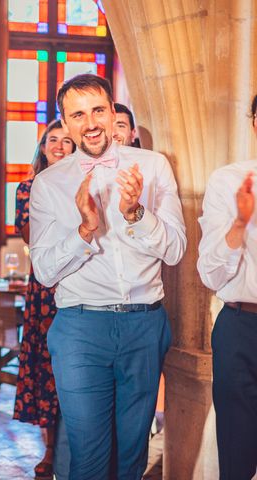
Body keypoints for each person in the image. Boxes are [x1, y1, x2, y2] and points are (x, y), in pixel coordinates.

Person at [29, 74, 186, 479]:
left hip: (144, 323)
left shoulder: (152, 166)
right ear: (64, 123)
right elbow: (45, 271)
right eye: (78, 114)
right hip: (82, 327)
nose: (91, 122)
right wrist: (84, 230)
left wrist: (136, 213)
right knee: (90, 454)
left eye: (98, 110)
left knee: (132, 451)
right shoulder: (48, 184)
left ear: (113, 112)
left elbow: (175, 250)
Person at [197, 94, 257, 479]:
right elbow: (210, 274)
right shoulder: (228, 180)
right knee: (236, 450)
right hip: (242, 326)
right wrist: (239, 224)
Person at [13, 120, 75, 480]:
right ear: (43, 146)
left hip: (77, 283)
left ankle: (72, 442)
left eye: (67, 141)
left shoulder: (84, 183)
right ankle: (50, 447)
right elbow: (29, 233)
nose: (59, 145)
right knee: (44, 367)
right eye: (53, 139)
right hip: (43, 289)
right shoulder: (28, 187)